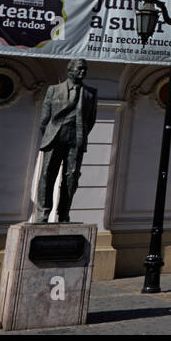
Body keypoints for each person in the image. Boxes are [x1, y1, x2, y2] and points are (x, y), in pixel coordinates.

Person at [33, 58, 98, 224]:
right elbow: (44, 120)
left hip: (75, 140)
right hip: (55, 137)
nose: (82, 72)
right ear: (70, 70)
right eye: (79, 69)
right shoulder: (54, 90)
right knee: (48, 175)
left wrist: (79, 135)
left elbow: (90, 121)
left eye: (85, 69)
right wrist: (51, 135)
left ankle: (64, 214)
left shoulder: (91, 93)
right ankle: (43, 213)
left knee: (71, 177)